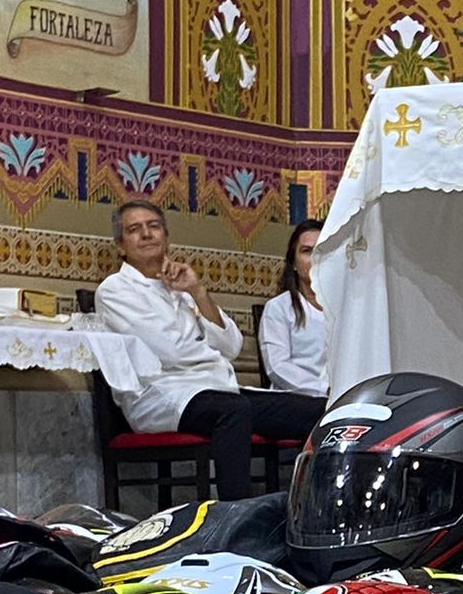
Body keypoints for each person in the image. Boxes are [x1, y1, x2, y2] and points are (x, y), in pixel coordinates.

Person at [95, 200, 328, 500]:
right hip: (161, 395)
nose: (147, 234)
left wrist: (198, 292)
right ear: (120, 247)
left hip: (217, 388)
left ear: (166, 236)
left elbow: (232, 345)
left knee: (318, 411)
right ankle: (235, 516)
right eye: (134, 230)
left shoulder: (179, 286)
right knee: (232, 411)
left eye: (154, 226)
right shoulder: (114, 290)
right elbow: (171, 352)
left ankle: (313, 505)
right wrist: (209, 352)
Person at [258, 219, 330, 397]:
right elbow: (277, 367)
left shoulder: (348, 309)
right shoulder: (278, 308)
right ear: (293, 263)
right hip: (297, 400)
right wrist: (323, 390)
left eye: (322, 250)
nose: (315, 258)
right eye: (307, 251)